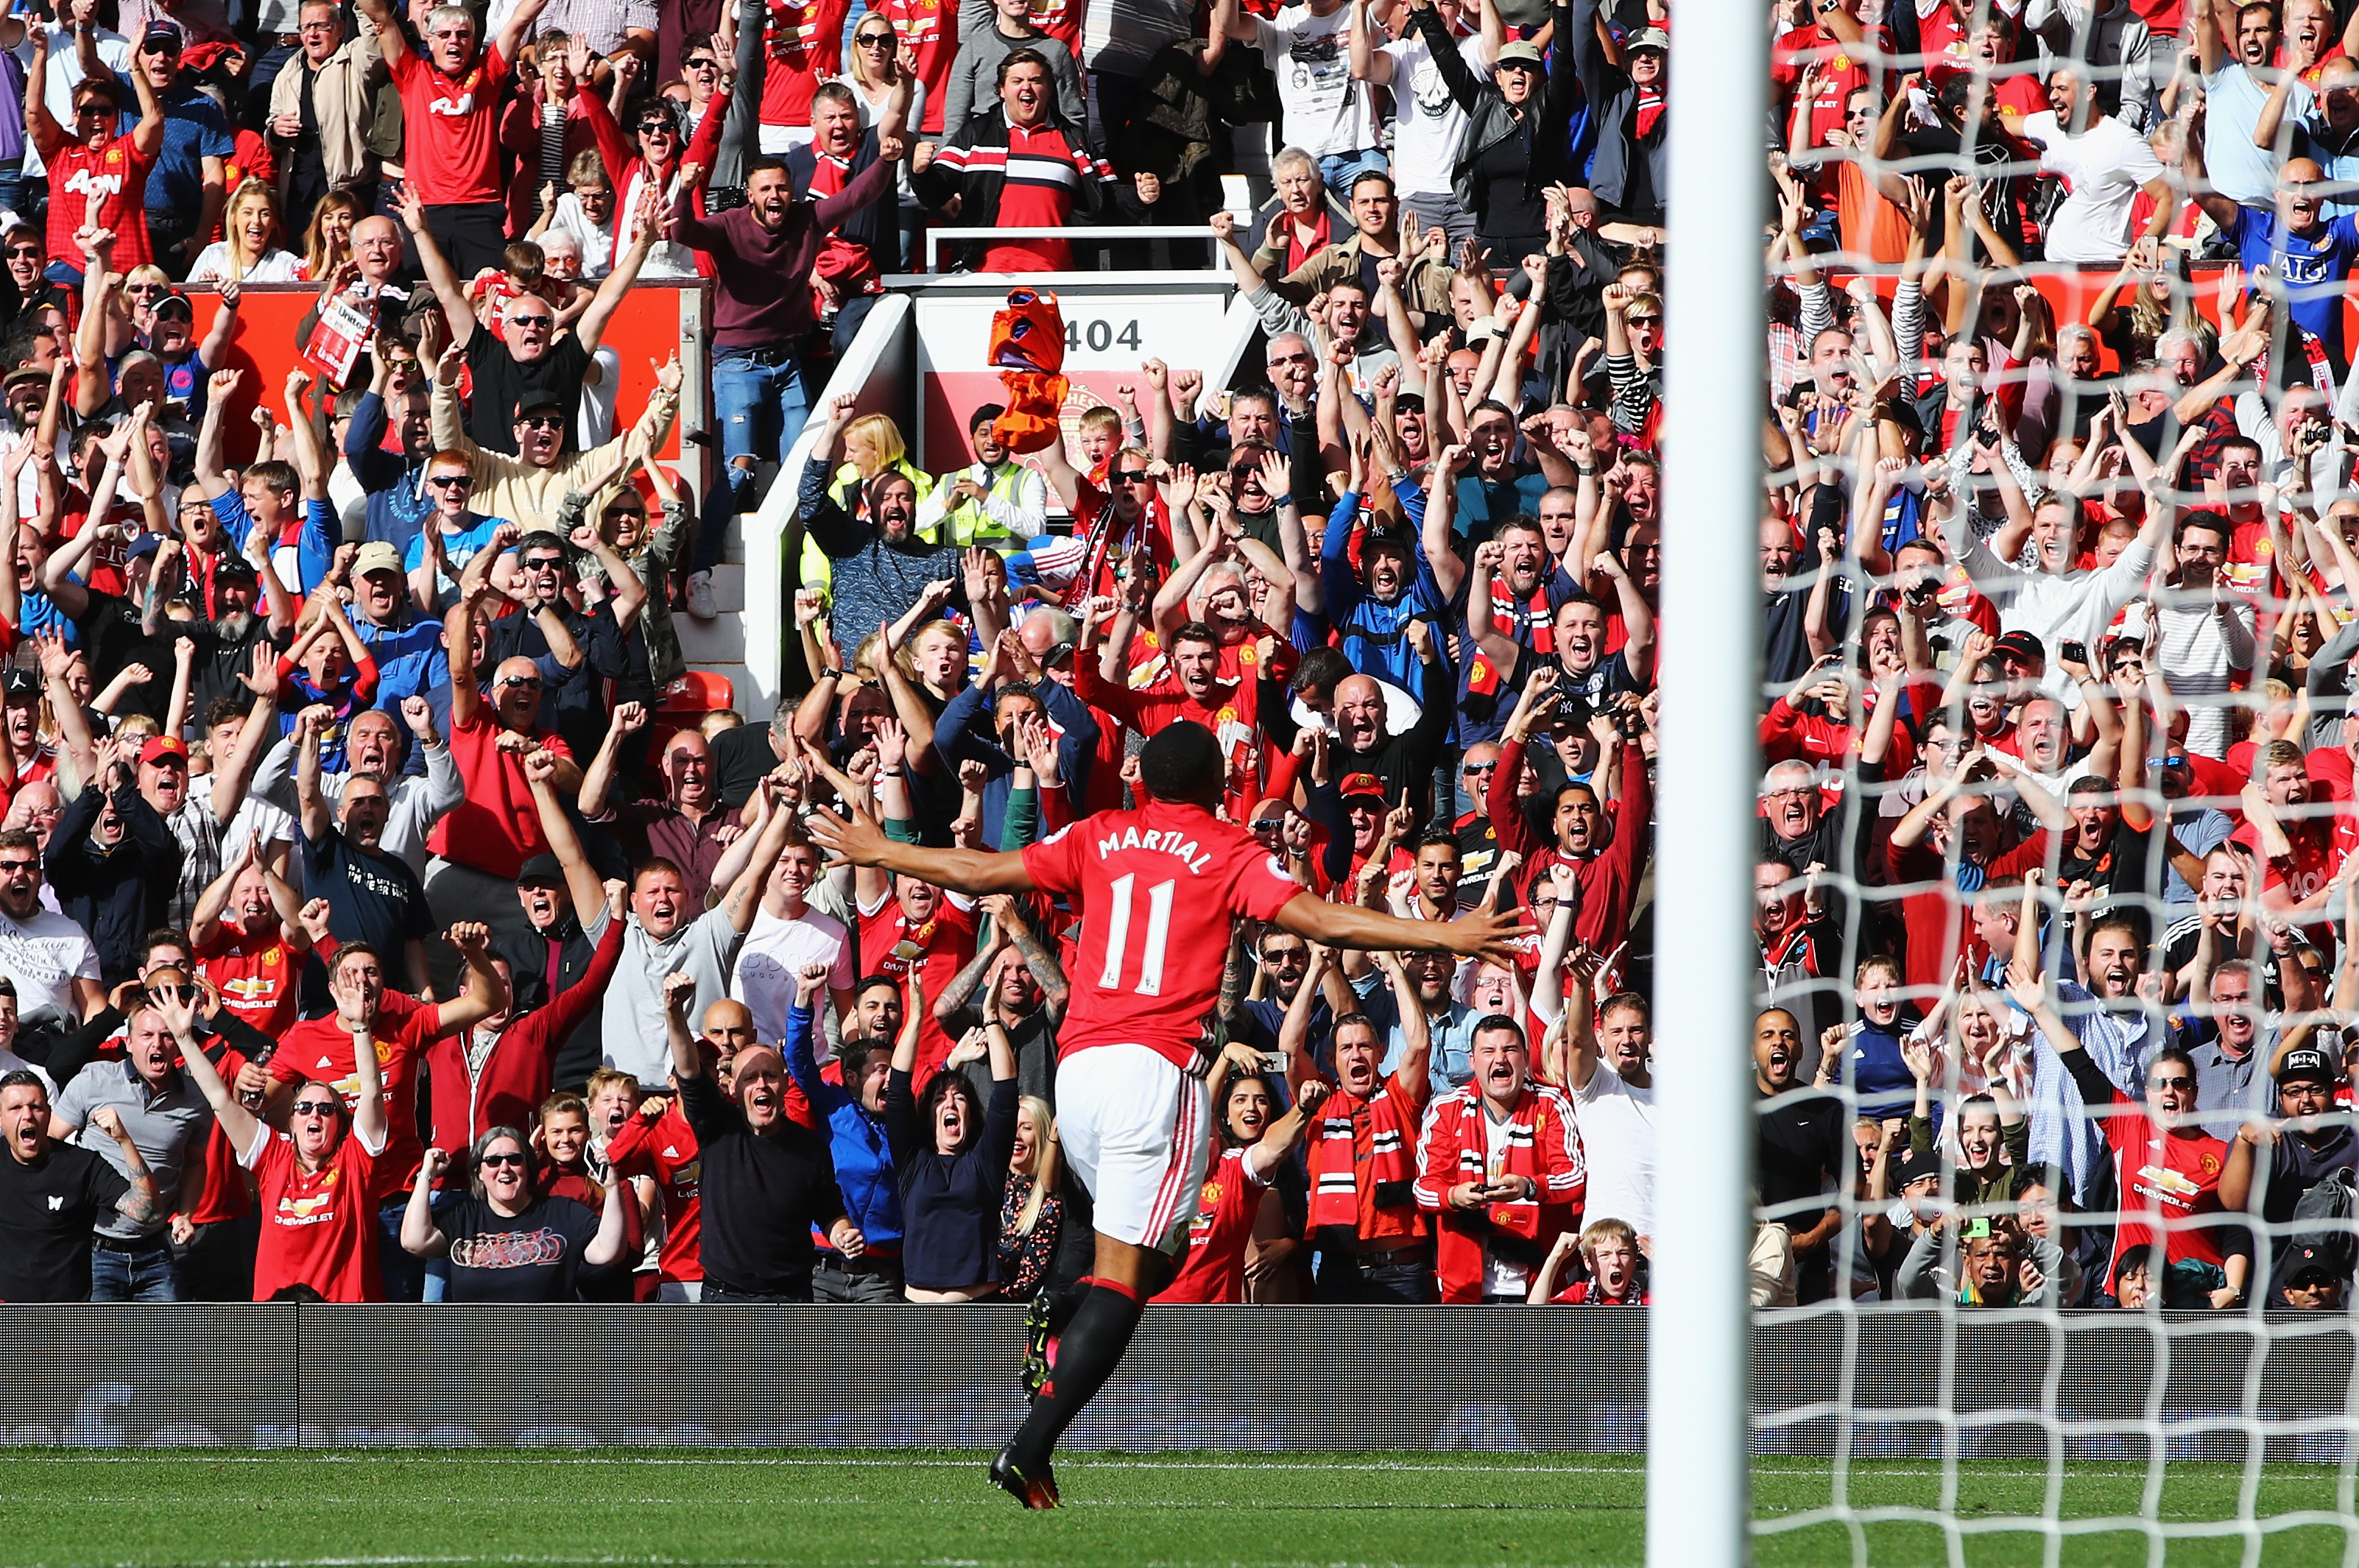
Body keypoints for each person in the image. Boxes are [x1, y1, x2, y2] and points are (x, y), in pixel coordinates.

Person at [810, 718, 1524, 1507]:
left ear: (1144, 779)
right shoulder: (1227, 850)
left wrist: (885, 852)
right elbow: (1322, 921)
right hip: (1156, 1074)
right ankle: (1029, 1447)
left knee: (1154, 1256)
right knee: (1139, 1276)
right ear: (1219, 786)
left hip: (1079, 1073)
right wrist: (1440, 930)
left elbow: (984, 871)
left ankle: (1062, 1303)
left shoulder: (1100, 834)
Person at [663, 968, 861, 1303]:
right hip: (724, 1297)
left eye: (769, 1075)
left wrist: (842, 1234)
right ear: (733, 1087)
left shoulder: (809, 1147)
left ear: (784, 1083)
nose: (760, 1085)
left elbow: (829, 1211)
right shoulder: (717, 1126)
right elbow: (689, 1070)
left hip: (791, 1298)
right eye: (750, 1078)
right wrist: (673, 1012)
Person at [1157, 1046, 1326, 1303]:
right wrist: (1225, 1057)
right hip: (1157, 1314)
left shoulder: (1233, 1170)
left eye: (1261, 1100)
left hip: (1219, 1318)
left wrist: (1303, 1109)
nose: (1203, 1139)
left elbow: (1272, 1148)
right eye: (1196, 1134)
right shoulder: (1156, 1175)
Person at [401, 1123, 629, 1300]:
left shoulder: (562, 1212)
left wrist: (611, 1187)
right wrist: (426, 1176)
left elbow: (608, 1252)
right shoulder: (463, 1216)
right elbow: (414, 1241)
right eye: (492, 1161)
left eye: (514, 1159)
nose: (504, 1168)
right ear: (479, 1172)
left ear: (528, 1167)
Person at [0, 1067, 155, 1301]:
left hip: (69, 1313)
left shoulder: (82, 1165)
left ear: (49, 1113)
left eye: (36, 1107)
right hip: (8, 1310)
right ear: (1, 1117)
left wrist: (124, 1141)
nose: (28, 1115)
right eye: (15, 1108)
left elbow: (146, 1211)